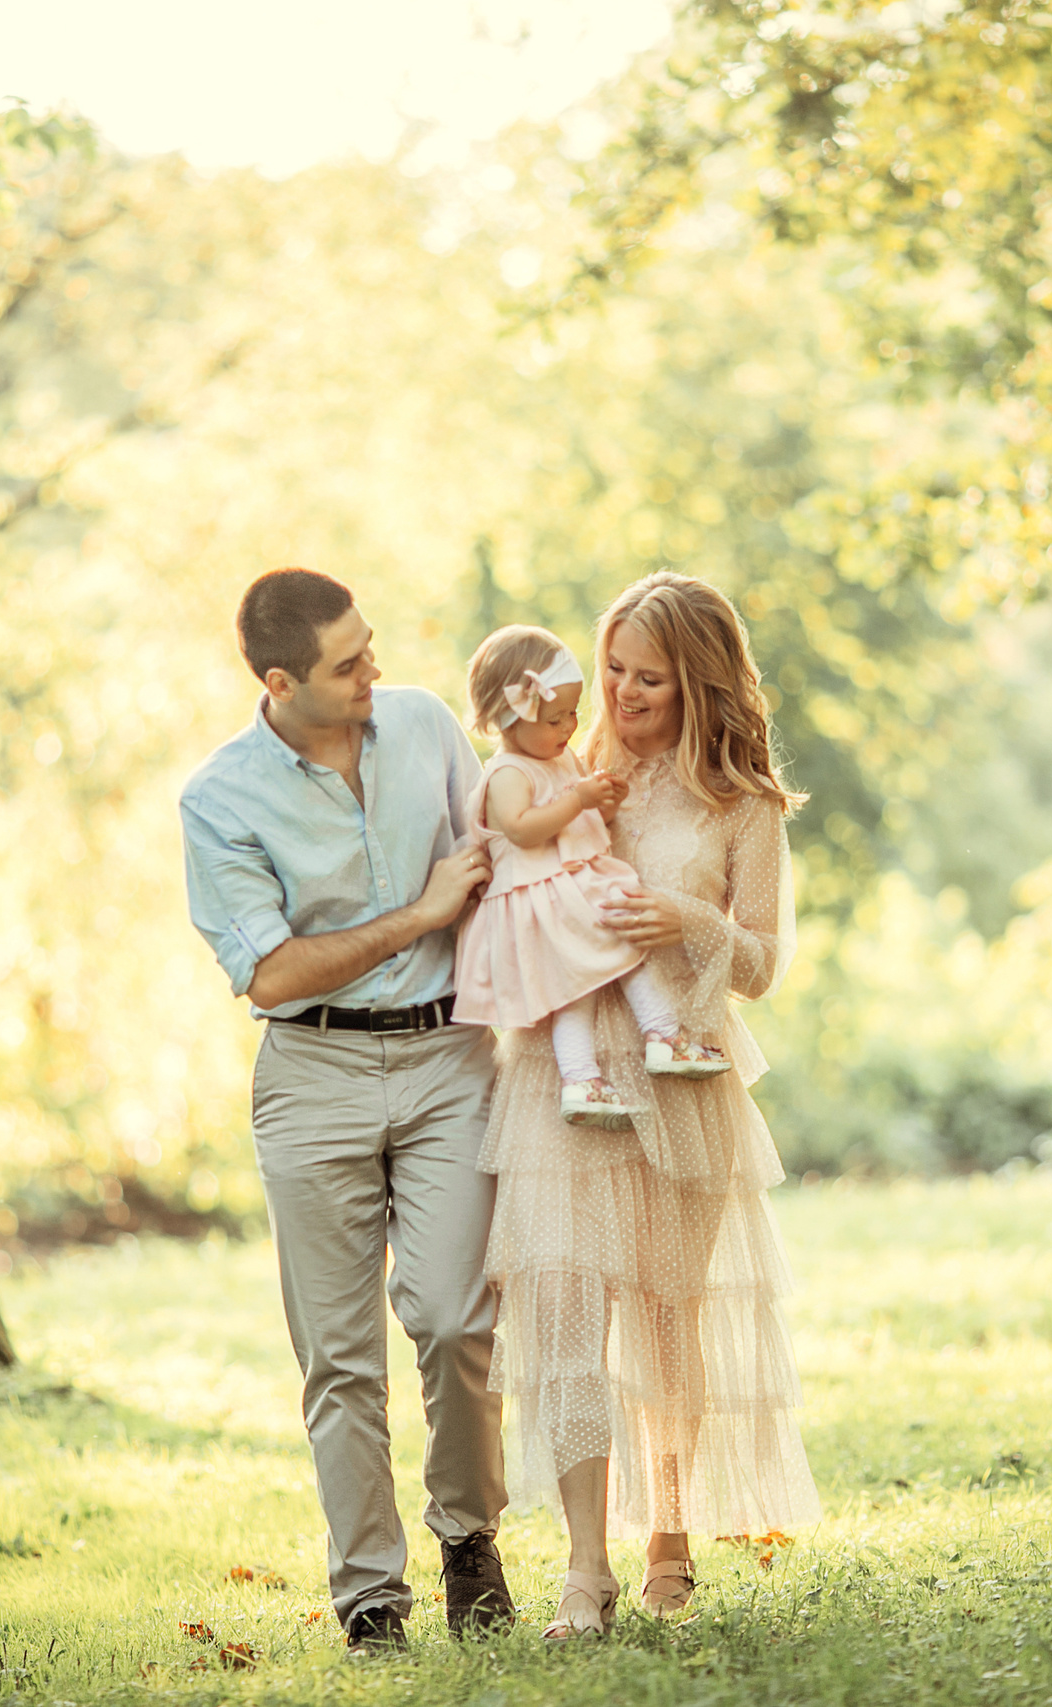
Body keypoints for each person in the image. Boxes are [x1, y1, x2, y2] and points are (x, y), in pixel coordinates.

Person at [477, 572, 823, 1640]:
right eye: (613, 669)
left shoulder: (743, 803)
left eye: (650, 679)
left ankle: (666, 1529)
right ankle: (585, 1570)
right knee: (568, 1310)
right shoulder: (564, 770)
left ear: (700, 683)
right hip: (561, 1073)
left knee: (670, 1319)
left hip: (683, 1071)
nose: (623, 695)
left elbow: (762, 960)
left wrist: (682, 918)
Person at [177, 568, 514, 1651]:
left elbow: (499, 859)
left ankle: (469, 1539)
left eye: (370, 648)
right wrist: (414, 913)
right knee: (339, 1356)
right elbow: (271, 975)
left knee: (458, 1319)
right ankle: (372, 1596)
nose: (375, 673)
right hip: (311, 1076)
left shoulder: (421, 725)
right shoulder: (218, 798)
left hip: (447, 1054)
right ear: (280, 683)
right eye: (347, 664)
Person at [450, 624, 732, 1131]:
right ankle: (655, 1040)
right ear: (511, 717)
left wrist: (599, 806)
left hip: (568, 885)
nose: (569, 726)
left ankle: (588, 1078)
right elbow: (522, 830)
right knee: (615, 954)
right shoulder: (509, 772)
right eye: (555, 718)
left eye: (573, 714)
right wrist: (576, 799)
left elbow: (572, 826)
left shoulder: (558, 758)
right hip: (542, 897)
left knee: (585, 982)